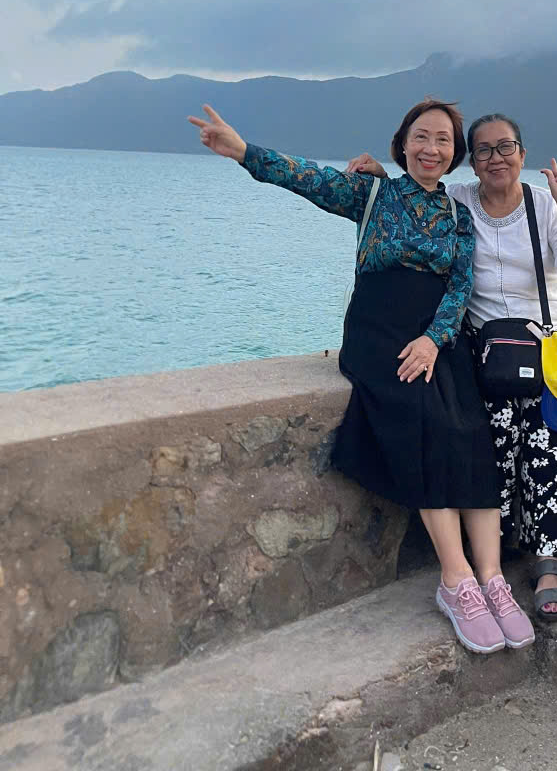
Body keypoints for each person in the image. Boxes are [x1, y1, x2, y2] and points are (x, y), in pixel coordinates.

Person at [187, 99, 534, 654]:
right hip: (379, 337)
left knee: (470, 433)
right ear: (403, 144)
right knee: (424, 422)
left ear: (453, 154)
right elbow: (306, 178)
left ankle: (492, 579)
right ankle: (456, 580)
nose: (431, 148)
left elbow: (460, 286)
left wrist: (435, 338)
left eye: (443, 140)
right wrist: (243, 151)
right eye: (421, 137)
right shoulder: (371, 194)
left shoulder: (458, 216)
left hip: (436, 340)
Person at [347, 112, 557, 621]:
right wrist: (378, 176)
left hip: (547, 348)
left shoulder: (544, 204)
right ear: (472, 160)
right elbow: (418, 189)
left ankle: (548, 566)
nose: (495, 158)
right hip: (486, 347)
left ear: (522, 154)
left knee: (545, 448)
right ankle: (495, 562)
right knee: (493, 447)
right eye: (483, 150)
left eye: (505, 147)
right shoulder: (459, 201)